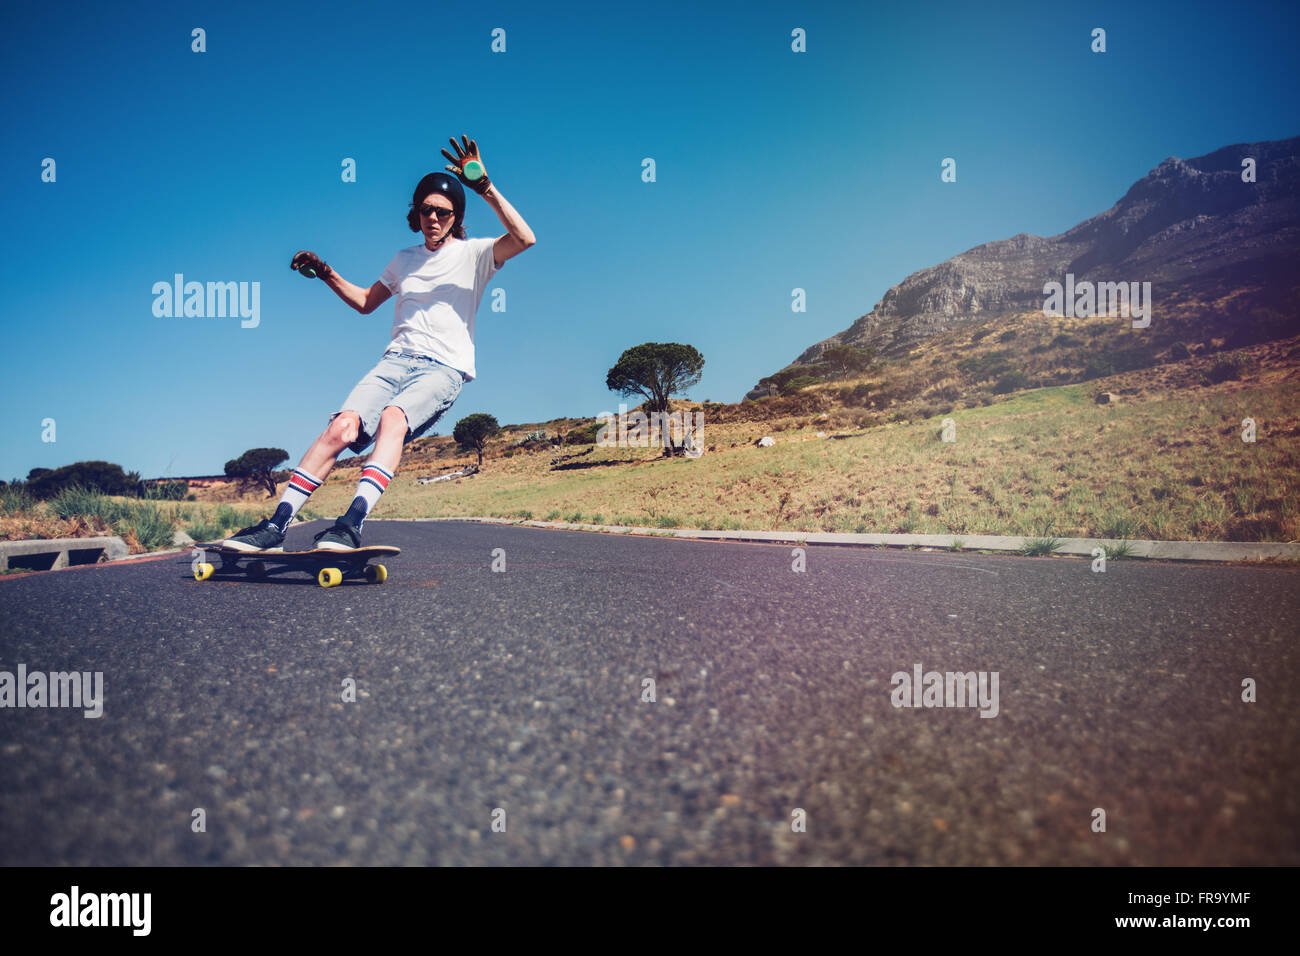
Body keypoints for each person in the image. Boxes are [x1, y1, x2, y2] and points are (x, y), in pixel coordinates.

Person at [222, 135, 535, 552]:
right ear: (416, 214)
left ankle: (350, 523)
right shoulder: (403, 260)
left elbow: (525, 237)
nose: (433, 218)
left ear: (456, 216)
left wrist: (486, 189)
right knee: (342, 427)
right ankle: (276, 526)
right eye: (425, 210)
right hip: (393, 362)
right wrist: (327, 272)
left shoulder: (476, 254)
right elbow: (366, 303)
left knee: (392, 418)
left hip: (443, 368)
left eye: (442, 212)